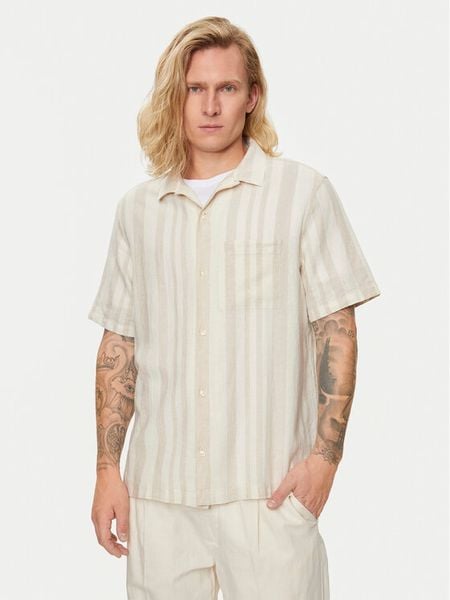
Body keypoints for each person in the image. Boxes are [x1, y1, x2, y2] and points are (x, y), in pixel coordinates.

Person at [88, 15, 381, 600]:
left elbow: (337, 330)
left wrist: (325, 460)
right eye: (195, 89)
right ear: (175, 97)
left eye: (226, 87)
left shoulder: (301, 194)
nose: (210, 105)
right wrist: (106, 471)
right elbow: (120, 344)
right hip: (160, 497)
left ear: (253, 96)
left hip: (268, 495)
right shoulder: (138, 211)